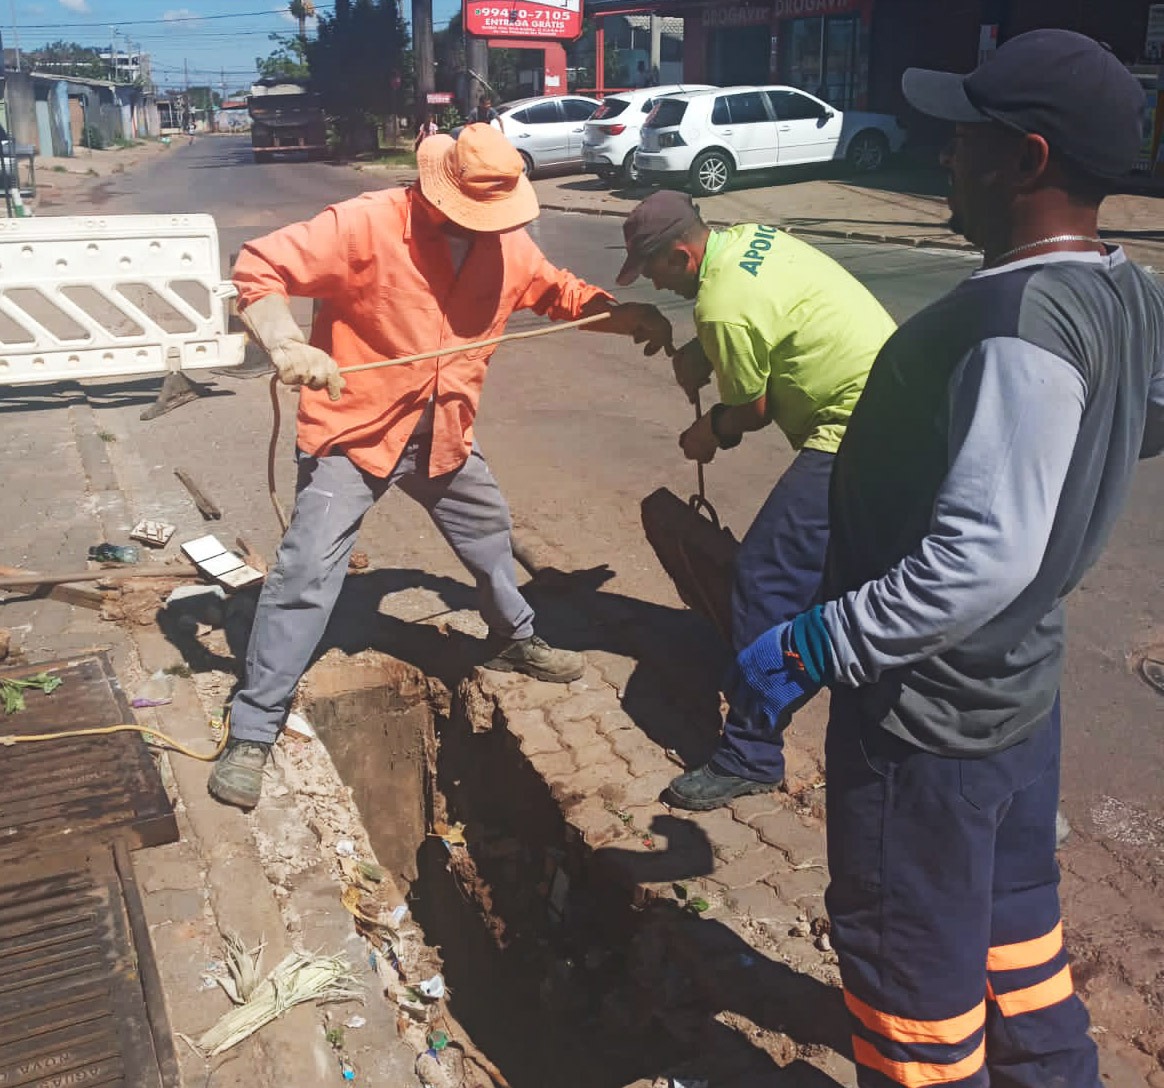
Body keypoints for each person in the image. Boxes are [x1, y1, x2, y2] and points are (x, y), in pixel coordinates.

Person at [727, 30, 1164, 1087]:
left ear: (1028, 160)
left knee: (910, 981)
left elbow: (979, 556)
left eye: (965, 143)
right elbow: (1135, 421)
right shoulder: (1126, 288)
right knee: (1016, 934)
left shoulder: (1011, 320)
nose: (944, 162)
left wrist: (820, 640)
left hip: (924, 721)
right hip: (1017, 692)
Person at [208, 125, 672, 810]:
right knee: (307, 571)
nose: (483, 228)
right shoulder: (365, 224)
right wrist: (284, 340)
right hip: (357, 432)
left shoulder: (508, 245)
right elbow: (258, 269)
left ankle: (514, 637)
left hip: (444, 430)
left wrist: (620, 315)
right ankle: (253, 728)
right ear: (438, 188)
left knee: (489, 534)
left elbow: (560, 295)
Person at [614, 190, 896, 810]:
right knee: (868, 579)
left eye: (655, 271)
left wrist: (708, 431)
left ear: (683, 257)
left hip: (855, 428)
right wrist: (702, 355)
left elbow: (754, 409)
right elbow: (772, 315)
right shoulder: (746, 240)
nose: (657, 287)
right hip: (900, 399)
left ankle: (750, 753)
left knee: (764, 577)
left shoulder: (720, 305)